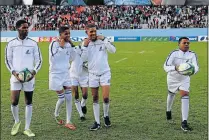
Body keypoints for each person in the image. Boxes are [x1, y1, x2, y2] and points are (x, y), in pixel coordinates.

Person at [5, 19, 42, 137]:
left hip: (29, 77)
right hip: (15, 77)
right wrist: (14, 73)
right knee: (14, 101)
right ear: (18, 28)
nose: (26, 29)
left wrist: (34, 72)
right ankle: (16, 122)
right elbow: (7, 60)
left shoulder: (33, 43)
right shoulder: (11, 44)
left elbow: (39, 60)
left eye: (27, 27)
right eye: (24, 27)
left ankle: (27, 128)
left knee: (28, 101)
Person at [81, 24, 116, 131]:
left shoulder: (102, 40)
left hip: (105, 73)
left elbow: (113, 50)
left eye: (94, 31)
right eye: (91, 32)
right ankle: (97, 122)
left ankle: (106, 115)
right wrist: (85, 46)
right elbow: (83, 58)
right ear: (86, 32)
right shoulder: (85, 43)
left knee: (105, 98)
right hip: (92, 74)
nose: (93, 33)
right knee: (95, 98)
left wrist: (105, 39)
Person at [163, 37, 199, 132]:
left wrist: (192, 71)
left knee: (185, 95)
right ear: (179, 44)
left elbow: (196, 67)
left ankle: (184, 122)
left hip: (184, 79)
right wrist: (176, 67)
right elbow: (166, 66)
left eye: (188, 43)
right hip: (172, 78)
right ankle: (168, 110)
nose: (187, 44)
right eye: (184, 43)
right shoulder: (174, 53)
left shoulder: (192, 54)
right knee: (171, 94)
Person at [49, 26, 76, 130]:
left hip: (66, 73)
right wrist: (61, 47)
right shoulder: (54, 43)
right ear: (60, 35)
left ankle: (68, 121)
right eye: (66, 34)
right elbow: (53, 58)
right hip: (55, 74)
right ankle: (56, 114)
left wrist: (72, 46)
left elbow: (72, 58)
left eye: (69, 33)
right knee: (61, 98)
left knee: (69, 97)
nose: (68, 35)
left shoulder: (69, 44)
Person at [70, 45, 89, 121]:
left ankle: (83, 104)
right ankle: (81, 115)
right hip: (73, 75)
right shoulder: (77, 49)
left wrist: (88, 66)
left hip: (84, 76)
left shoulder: (90, 51)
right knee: (76, 95)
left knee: (85, 95)